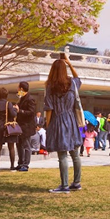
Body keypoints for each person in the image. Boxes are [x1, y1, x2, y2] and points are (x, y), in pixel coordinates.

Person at [44, 56, 83, 193]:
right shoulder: (72, 83)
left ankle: (64, 185)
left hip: (59, 120)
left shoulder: (50, 86)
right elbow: (79, 79)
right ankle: (76, 182)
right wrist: (70, 63)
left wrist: (48, 125)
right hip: (72, 120)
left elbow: (49, 108)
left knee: (62, 155)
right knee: (75, 154)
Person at [0, 88, 19, 172]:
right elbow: (13, 114)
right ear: (7, 95)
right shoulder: (8, 104)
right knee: (11, 147)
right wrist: (15, 109)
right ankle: (12, 166)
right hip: (7, 127)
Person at [16, 81, 36, 172]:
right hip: (20, 125)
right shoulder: (21, 98)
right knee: (19, 144)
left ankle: (26, 164)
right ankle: (20, 162)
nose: (17, 89)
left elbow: (31, 112)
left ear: (21, 89)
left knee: (26, 145)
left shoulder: (30, 99)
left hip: (27, 126)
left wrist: (20, 111)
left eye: (18, 88)